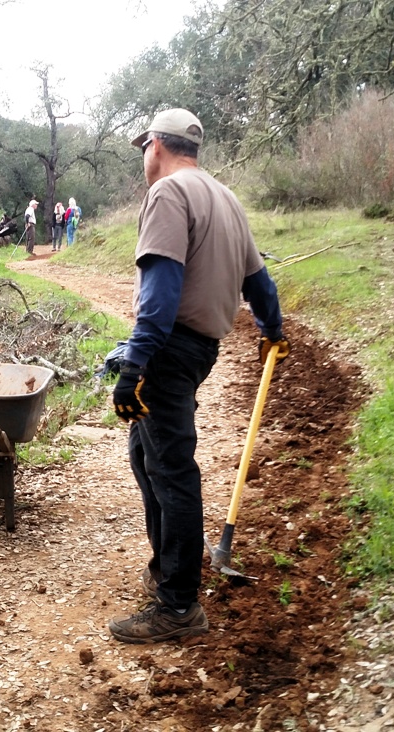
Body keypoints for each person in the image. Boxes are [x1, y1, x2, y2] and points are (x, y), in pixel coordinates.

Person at [108, 108, 290, 644]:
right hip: (201, 348)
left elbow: (160, 295)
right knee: (146, 455)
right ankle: (168, 569)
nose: (145, 159)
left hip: (168, 350)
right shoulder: (225, 197)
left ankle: (180, 605)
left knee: (171, 468)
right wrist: (272, 330)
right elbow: (261, 283)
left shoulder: (168, 193)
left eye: (145, 149)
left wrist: (135, 365)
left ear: (156, 147)